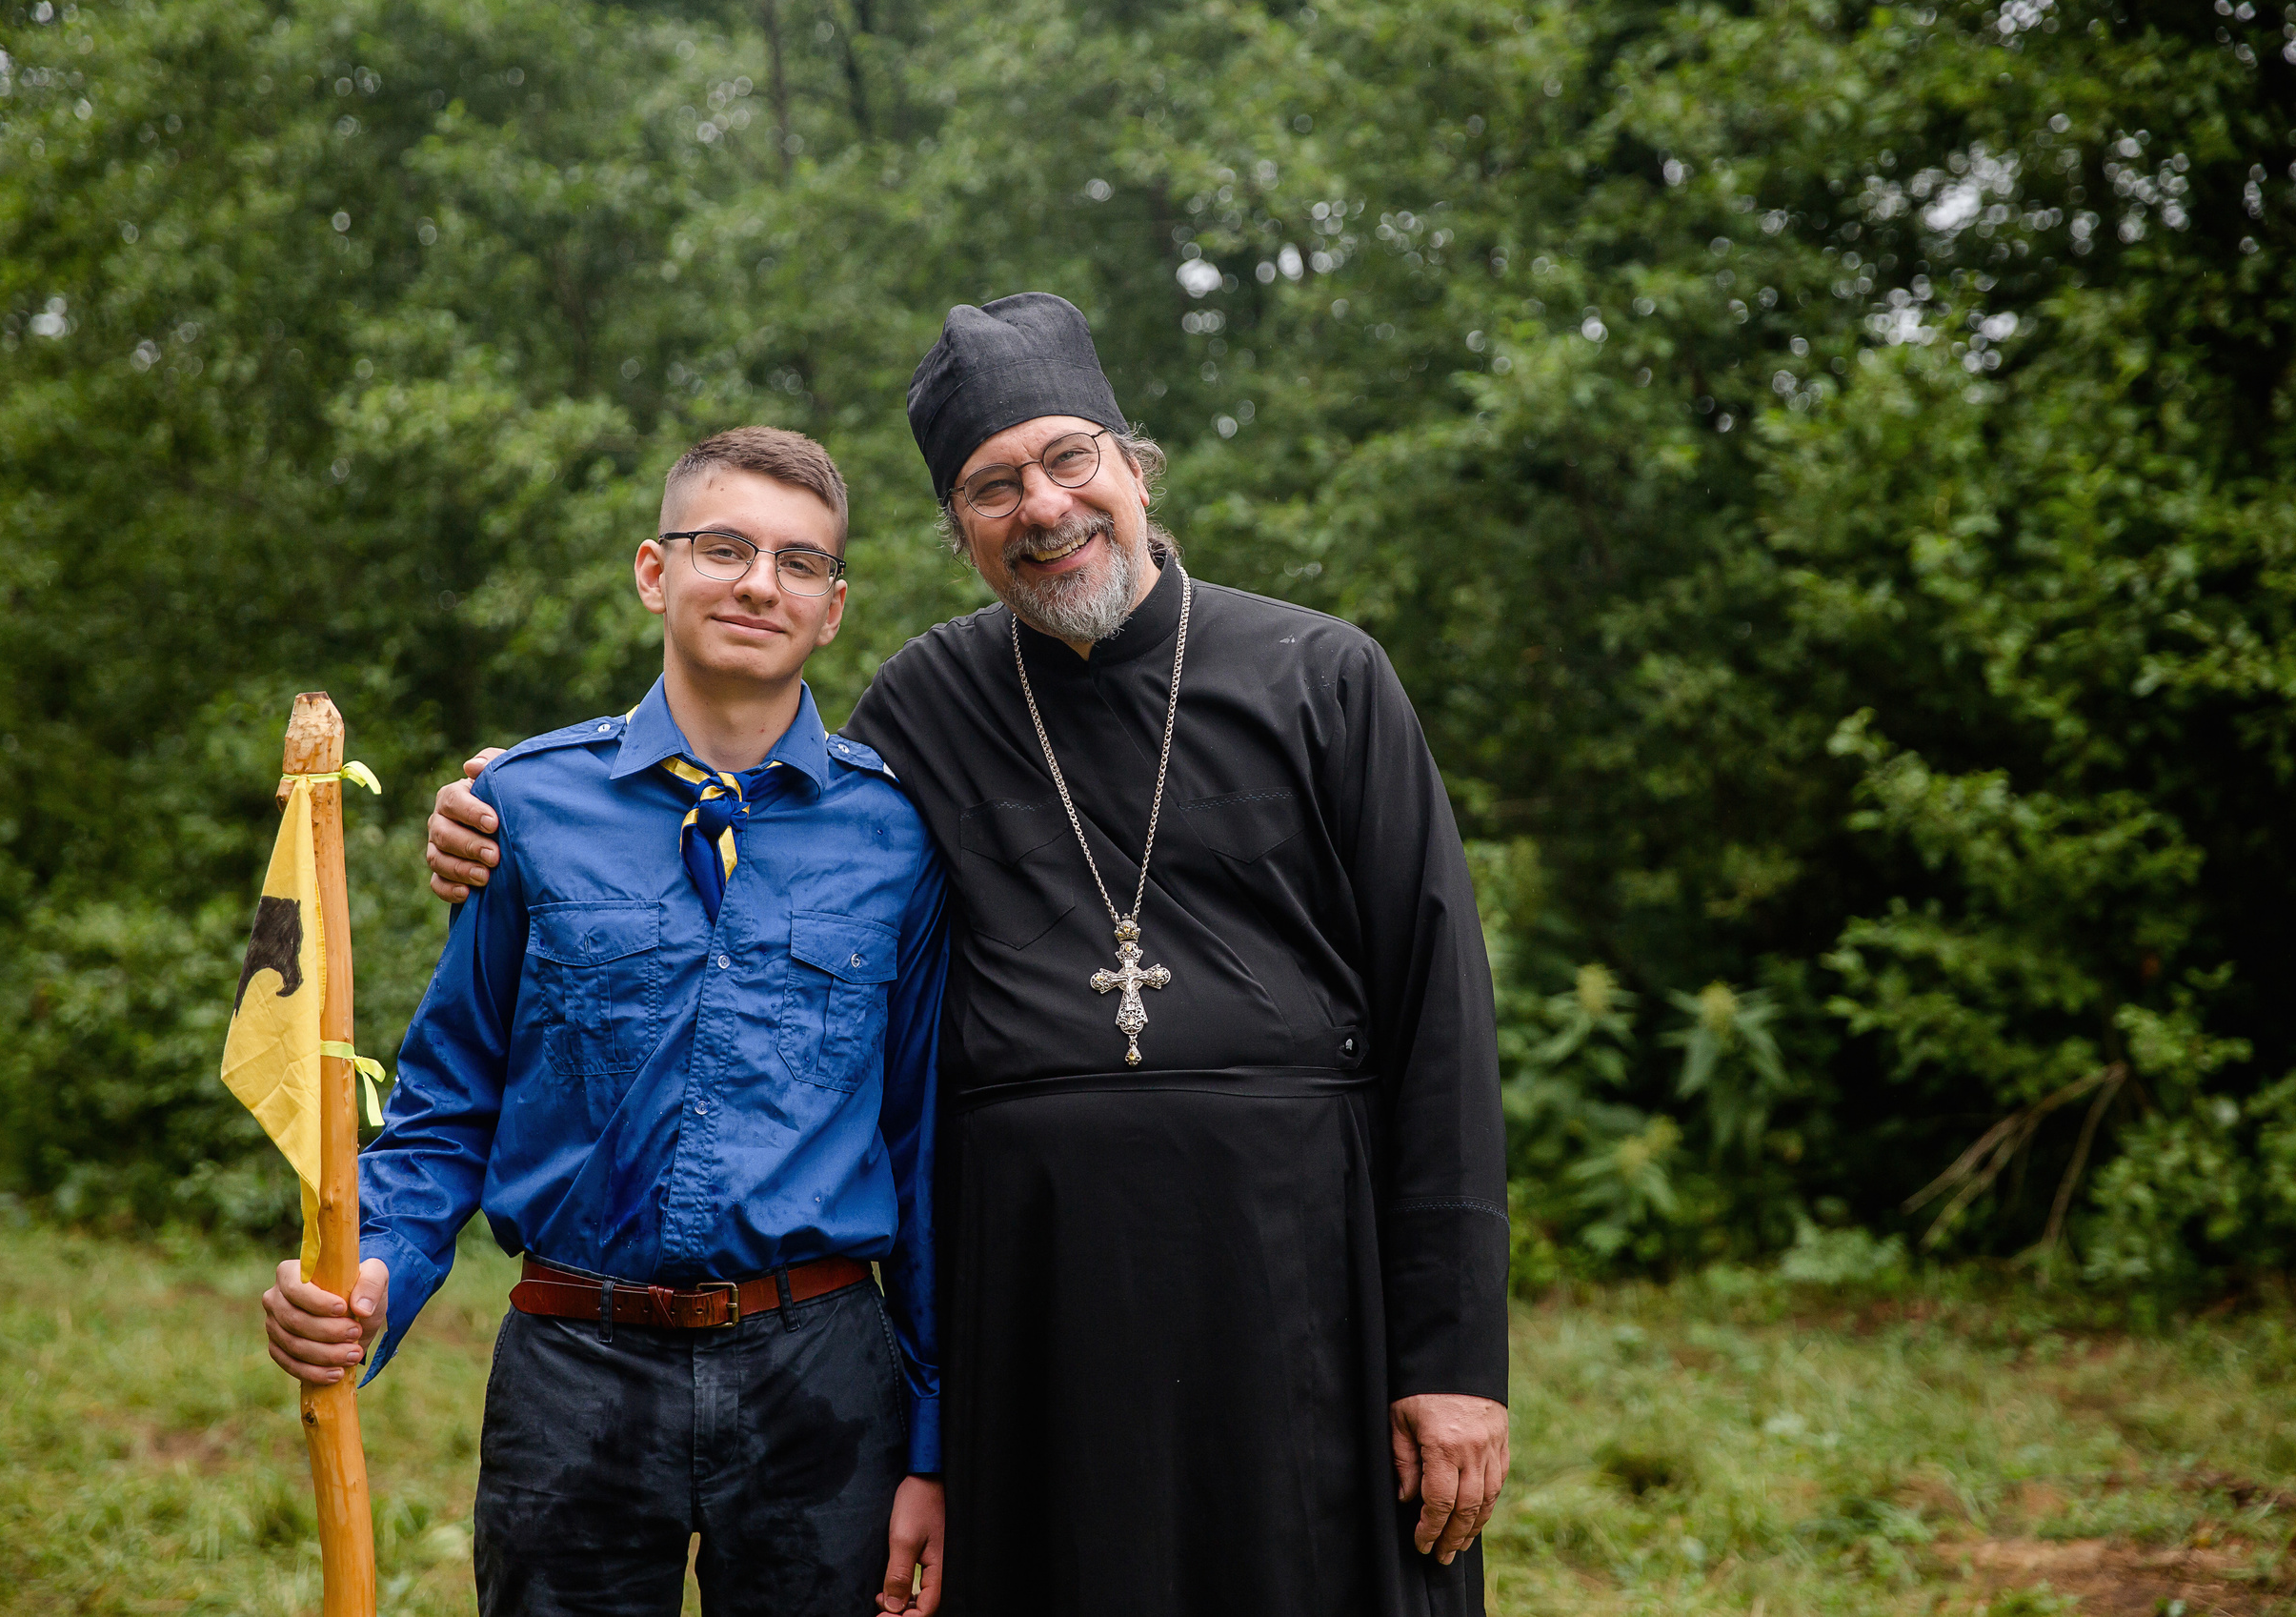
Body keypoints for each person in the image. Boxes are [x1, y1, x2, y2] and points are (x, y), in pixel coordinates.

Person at [427, 297, 1510, 1616]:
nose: (1044, 508)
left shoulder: (1322, 675)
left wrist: (1454, 1357)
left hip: (1293, 1290)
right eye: (992, 488)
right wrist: (504, 809)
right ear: (961, 532)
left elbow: (1438, 1024)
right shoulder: (930, 704)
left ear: (1133, 465)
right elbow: (757, 836)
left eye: (1069, 461)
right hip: (1039, 1303)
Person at [265, 427, 948, 1617]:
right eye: (722, 547)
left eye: (798, 563)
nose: (756, 582)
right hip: (572, 1364)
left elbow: (926, 1148)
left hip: (823, 1371)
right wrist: (370, 1267)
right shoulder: (522, 807)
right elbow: (448, 1102)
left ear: (833, 609)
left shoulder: (897, 836)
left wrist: (936, 1441)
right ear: (652, 570)